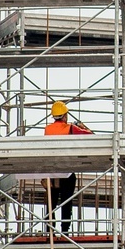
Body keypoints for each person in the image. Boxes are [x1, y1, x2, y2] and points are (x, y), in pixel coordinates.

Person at [44, 100, 93, 235]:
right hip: (66, 170)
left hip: (51, 171)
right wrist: (83, 127)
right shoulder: (70, 128)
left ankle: (49, 231)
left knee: (51, 203)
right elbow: (91, 137)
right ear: (65, 115)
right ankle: (65, 231)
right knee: (66, 201)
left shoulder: (47, 129)